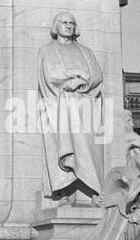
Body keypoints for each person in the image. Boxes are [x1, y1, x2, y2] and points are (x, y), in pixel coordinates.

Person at [37, 11, 104, 198]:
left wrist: (81, 81)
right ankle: (66, 190)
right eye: (64, 22)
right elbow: (50, 75)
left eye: (71, 23)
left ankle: (92, 188)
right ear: (55, 27)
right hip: (62, 107)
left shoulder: (85, 51)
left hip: (87, 107)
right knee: (68, 148)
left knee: (89, 148)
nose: (68, 26)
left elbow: (97, 75)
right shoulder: (47, 50)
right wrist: (75, 78)